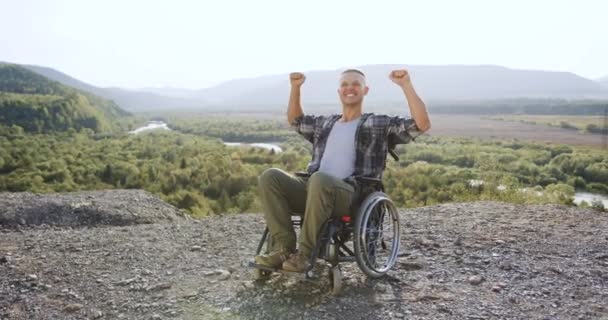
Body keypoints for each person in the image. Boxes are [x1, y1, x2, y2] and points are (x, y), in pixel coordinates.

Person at [255, 68, 431, 272]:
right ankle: (283, 249)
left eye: (355, 84)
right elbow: (296, 121)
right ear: (339, 91)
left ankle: (304, 254)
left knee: (320, 179)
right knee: (271, 177)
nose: (350, 88)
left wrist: (406, 84)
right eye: (345, 84)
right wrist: (295, 87)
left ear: (365, 90)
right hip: (315, 188)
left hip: (351, 195)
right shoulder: (326, 123)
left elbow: (421, 124)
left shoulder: (376, 123)